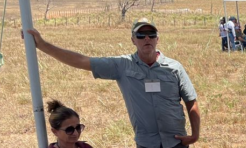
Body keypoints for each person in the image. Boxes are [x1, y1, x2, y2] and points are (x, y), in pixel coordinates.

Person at [26, 18, 200, 148]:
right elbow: (81, 61)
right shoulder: (121, 66)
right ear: (133, 39)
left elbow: (191, 102)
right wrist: (43, 46)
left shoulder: (174, 67)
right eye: (141, 35)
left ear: (157, 38)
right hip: (147, 142)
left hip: (176, 141)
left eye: (151, 34)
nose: (146, 38)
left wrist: (195, 135)